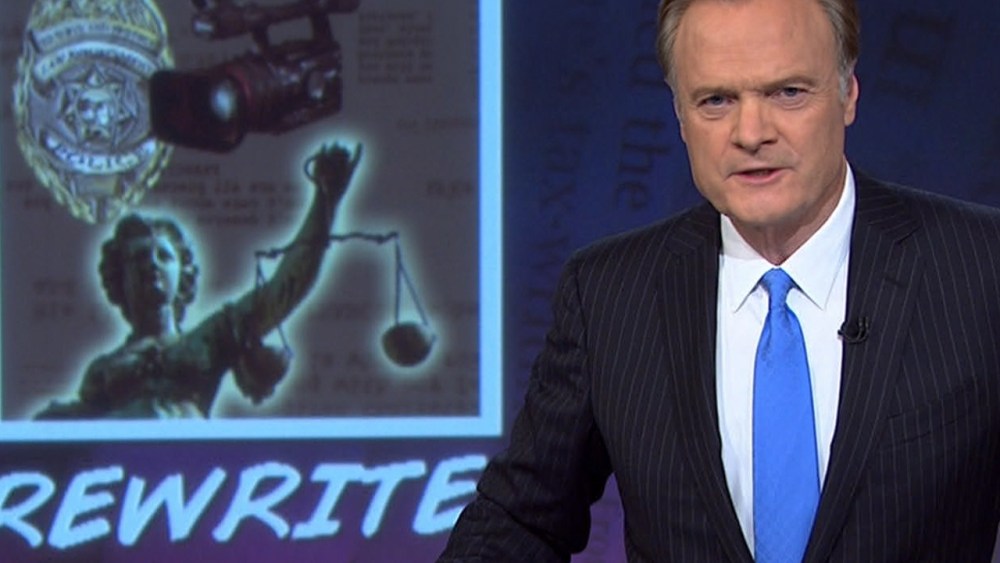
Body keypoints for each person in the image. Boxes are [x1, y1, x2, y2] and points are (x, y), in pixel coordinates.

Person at [439, 0, 1000, 561]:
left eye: (788, 92)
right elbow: (520, 521)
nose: (750, 133)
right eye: (716, 101)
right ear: (680, 116)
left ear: (847, 92)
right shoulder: (609, 295)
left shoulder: (982, 266)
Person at [35, 142, 361, 419]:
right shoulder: (103, 369)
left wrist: (325, 202)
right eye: (138, 258)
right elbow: (76, 434)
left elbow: (285, 287)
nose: (152, 264)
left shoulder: (213, 336)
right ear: (120, 279)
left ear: (183, 274)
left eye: (164, 256)